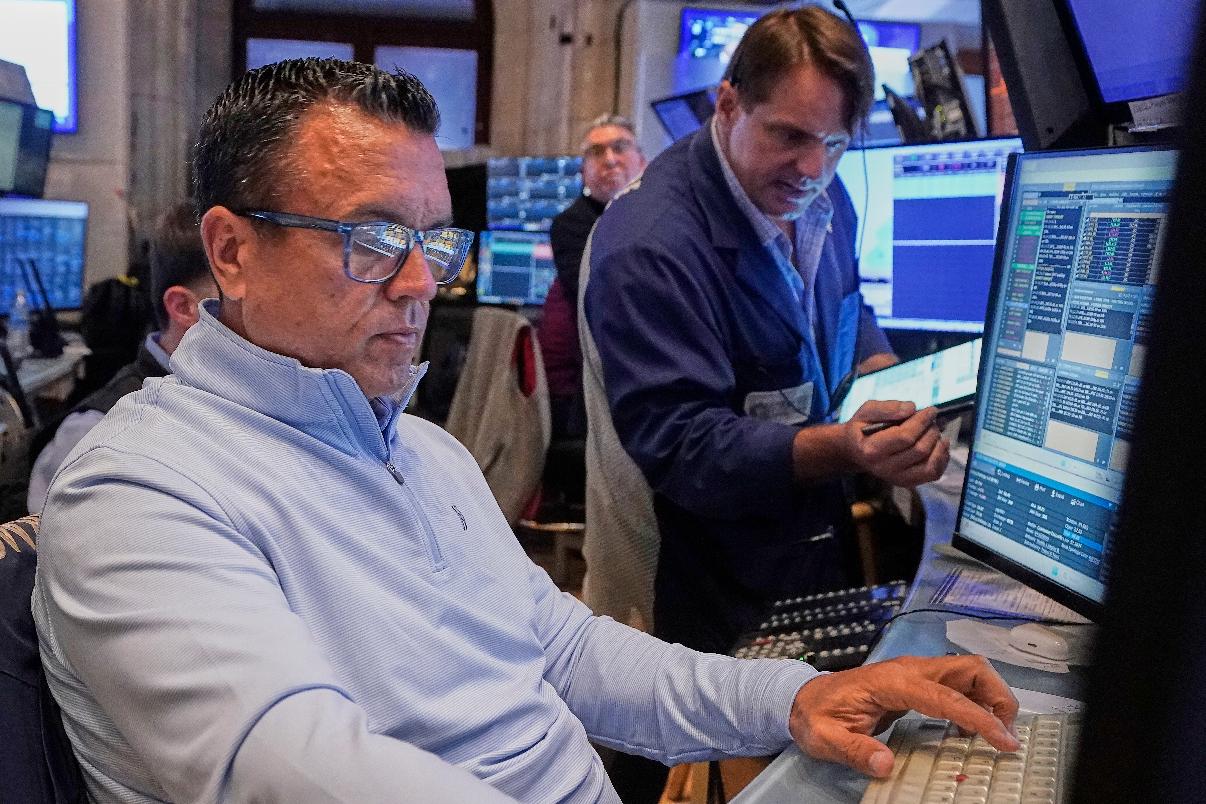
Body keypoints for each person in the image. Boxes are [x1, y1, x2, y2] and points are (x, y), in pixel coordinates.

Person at [33, 59, 1017, 804]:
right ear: (231, 251)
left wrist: (794, 699)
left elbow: (571, 653)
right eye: (373, 241)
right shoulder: (137, 493)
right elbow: (289, 766)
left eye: (432, 243)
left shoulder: (420, 451)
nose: (422, 285)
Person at [583, 7, 948, 656]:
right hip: (693, 576)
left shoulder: (824, 198)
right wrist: (842, 449)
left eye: (834, 143)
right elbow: (682, 445)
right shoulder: (650, 244)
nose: (812, 167)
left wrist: (876, 368)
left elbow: (848, 310)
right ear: (728, 105)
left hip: (802, 544)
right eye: (789, 136)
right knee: (696, 754)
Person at [26, 202, 216, 513]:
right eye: (240, 297)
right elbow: (48, 555)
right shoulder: (96, 433)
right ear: (183, 307)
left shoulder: (241, 404)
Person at [541, 115, 645, 439]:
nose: (610, 159)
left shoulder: (664, 216)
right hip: (594, 385)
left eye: (620, 147)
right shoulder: (571, 225)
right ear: (583, 170)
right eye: (597, 152)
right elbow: (603, 298)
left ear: (642, 161)